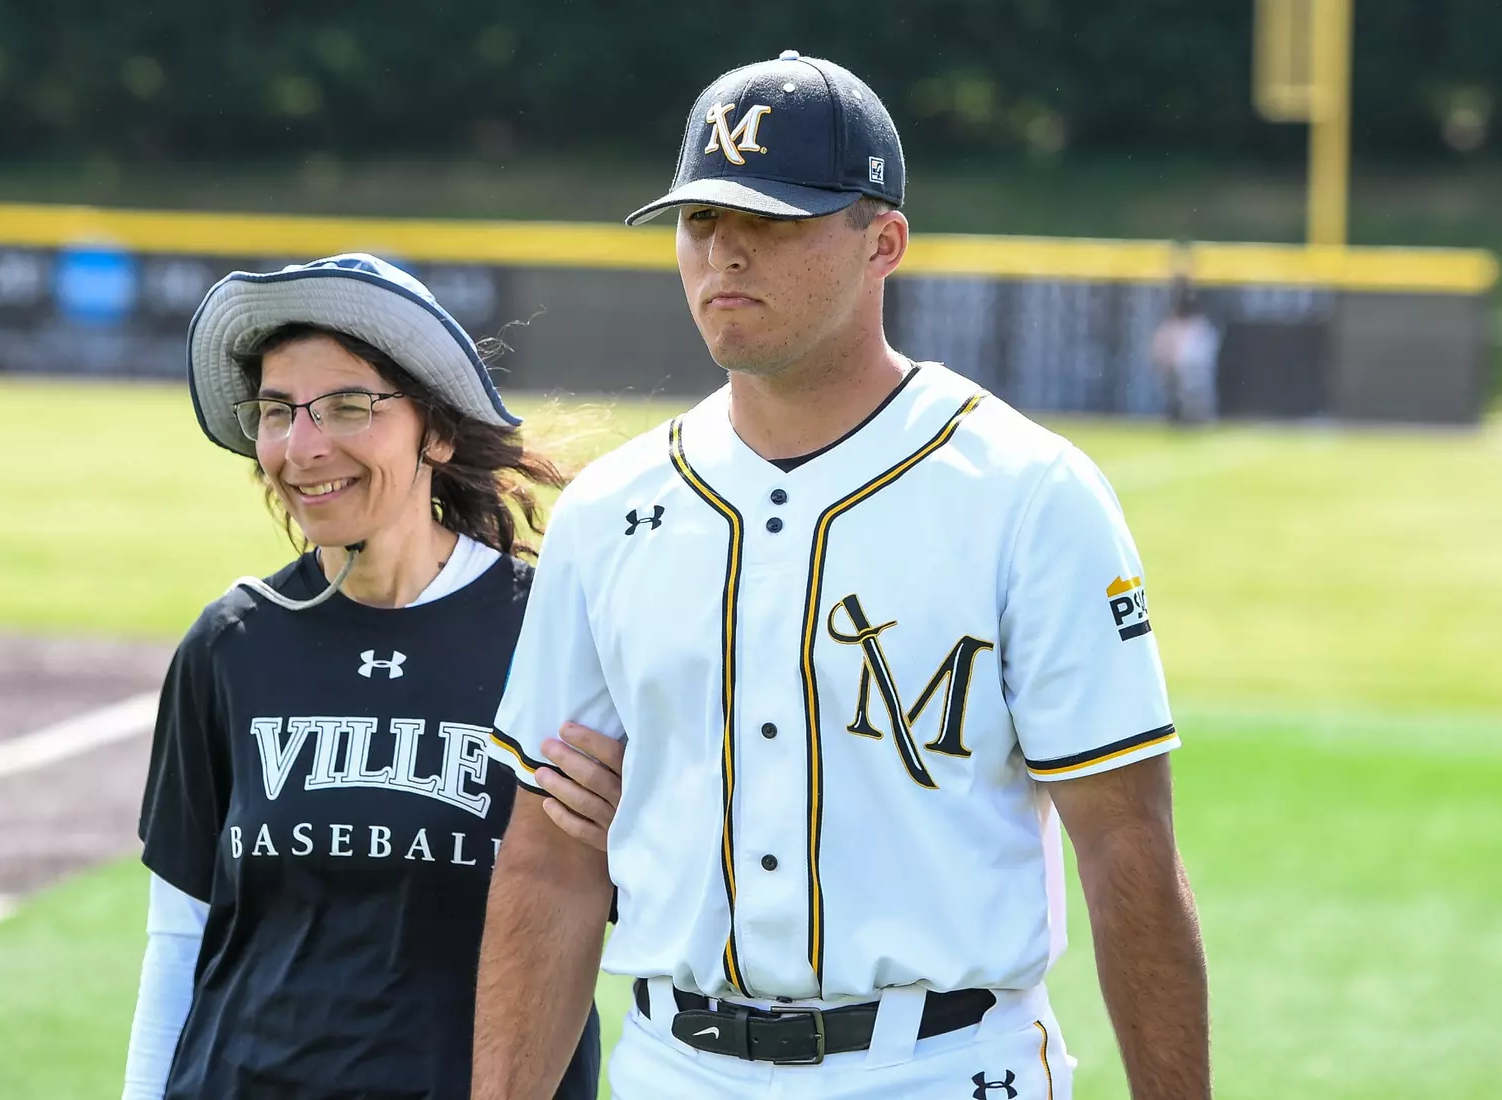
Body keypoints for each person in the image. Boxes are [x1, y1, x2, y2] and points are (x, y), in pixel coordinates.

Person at [474, 52, 1210, 1100]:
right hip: (671, 1065)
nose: (723, 248)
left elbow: (1125, 849)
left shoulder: (1027, 491)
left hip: (945, 1064)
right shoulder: (611, 508)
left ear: (883, 243)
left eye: (771, 218)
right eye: (698, 221)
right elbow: (547, 861)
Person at [122, 254, 621, 1100]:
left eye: (348, 406)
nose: (303, 446)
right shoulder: (230, 642)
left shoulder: (556, 631)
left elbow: (642, 914)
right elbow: (179, 937)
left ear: (439, 430)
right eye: (277, 412)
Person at [1150, 269, 1221, 425]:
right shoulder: (1171, 323)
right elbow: (1161, 347)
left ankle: (1198, 419)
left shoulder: (1199, 323)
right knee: (1179, 394)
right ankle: (1179, 418)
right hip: (1180, 365)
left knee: (1196, 394)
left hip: (1193, 364)